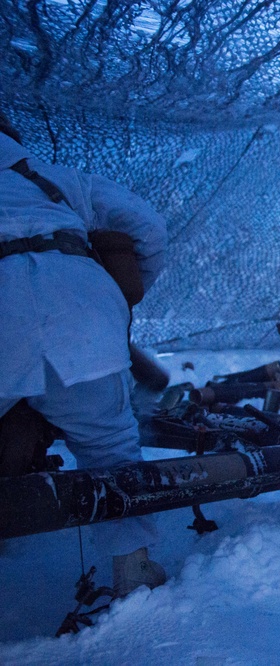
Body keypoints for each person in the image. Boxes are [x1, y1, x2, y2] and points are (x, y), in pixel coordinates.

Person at [0, 109, 169, 596]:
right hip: (80, 306)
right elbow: (149, 229)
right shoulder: (56, 178)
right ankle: (133, 571)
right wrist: (118, 302)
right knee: (109, 446)